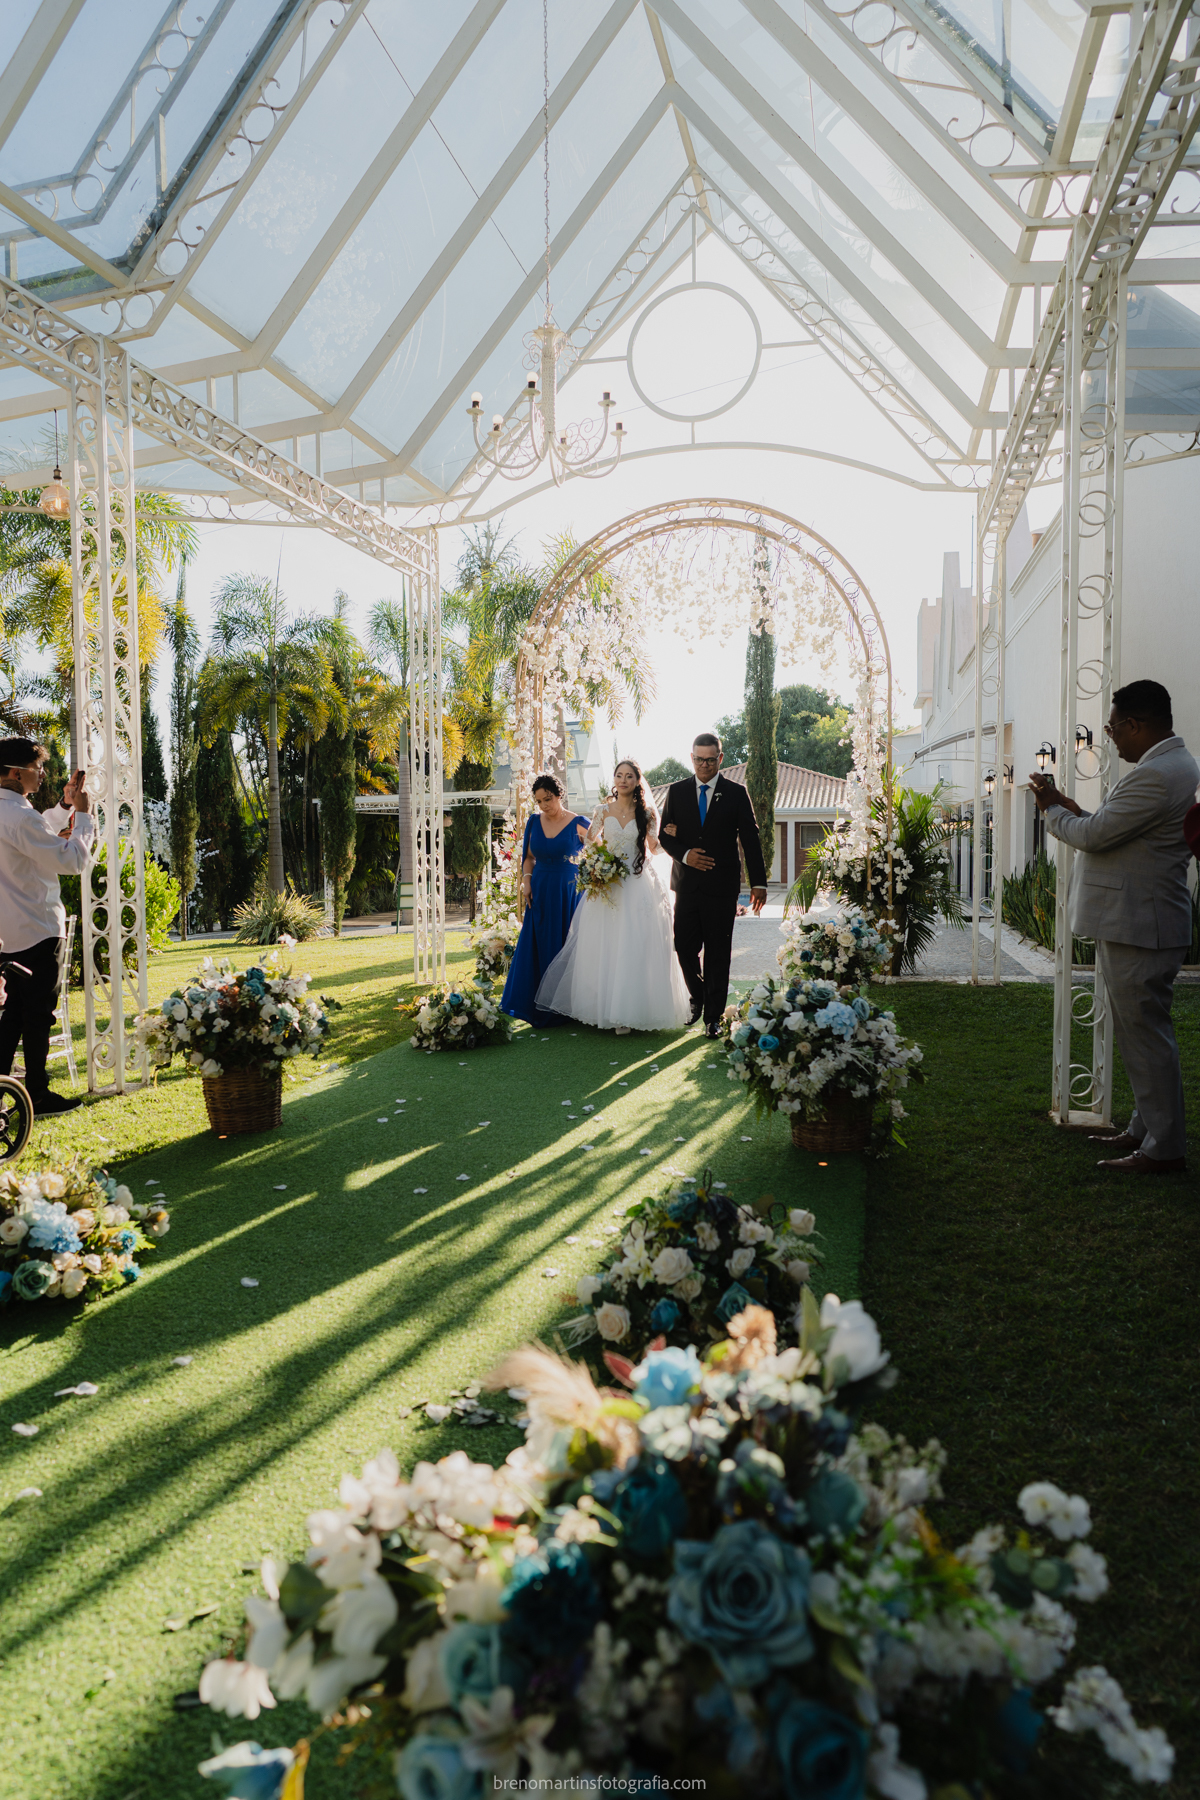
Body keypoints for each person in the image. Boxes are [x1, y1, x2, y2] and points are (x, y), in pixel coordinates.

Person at [1030, 680, 1198, 1173]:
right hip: (1140, 922)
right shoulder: (1169, 767)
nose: (1112, 738)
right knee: (1140, 1035)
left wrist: (1052, 810)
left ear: (1137, 725)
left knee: (1147, 1038)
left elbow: (1096, 835)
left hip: (1141, 925)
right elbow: (1113, 826)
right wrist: (1071, 805)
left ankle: (1163, 1149)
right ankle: (1146, 1129)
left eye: (1113, 728)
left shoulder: (1156, 774)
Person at [536, 758, 692, 1033]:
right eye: (619, 775)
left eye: (629, 776)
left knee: (636, 943)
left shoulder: (647, 815)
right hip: (609, 883)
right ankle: (605, 1008)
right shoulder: (601, 811)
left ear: (637, 781)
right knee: (605, 944)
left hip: (637, 881)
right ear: (615, 780)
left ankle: (633, 1010)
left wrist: (672, 836)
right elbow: (589, 840)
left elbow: (654, 849)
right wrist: (600, 864)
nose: (623, 780)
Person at [0, 738, 95, 1115]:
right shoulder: (20, 816)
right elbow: (69, 861)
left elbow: (34, 835)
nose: (41, 773)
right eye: (35, 766)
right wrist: (84, 816)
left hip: (10, 932)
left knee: (11, 1018)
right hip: (38, 926)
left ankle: (9, 1088)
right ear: (13, 771)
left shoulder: (14, 814)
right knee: (37, 1014)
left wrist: (64, 806)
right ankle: (37, 1095)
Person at [658, 732, 768, 1036]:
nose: (704, 765)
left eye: (710, 759)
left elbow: (750, 839)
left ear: (720, 758)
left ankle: (712, 1019)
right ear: (691, 758)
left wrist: (759, 882)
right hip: (687, 885)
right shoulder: (676, 792)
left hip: (722, 887)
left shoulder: (736, 793)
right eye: (698, 759)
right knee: (683, 946)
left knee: (718, 953)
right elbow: (665, 836)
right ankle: (699, 995)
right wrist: (685, 855)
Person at [500, 774, 589, 1027]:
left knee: (566, 943)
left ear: (559, 795)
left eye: (548, 799)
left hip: (568, 891)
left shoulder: (579, 822)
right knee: (539, 943)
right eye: (539, 801)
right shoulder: (533, 822)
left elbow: (600, 850)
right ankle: (537, 1006)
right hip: (539, 889)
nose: (544, 806)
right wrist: (526, 881)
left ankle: (569, 1008)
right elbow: (528, 857)